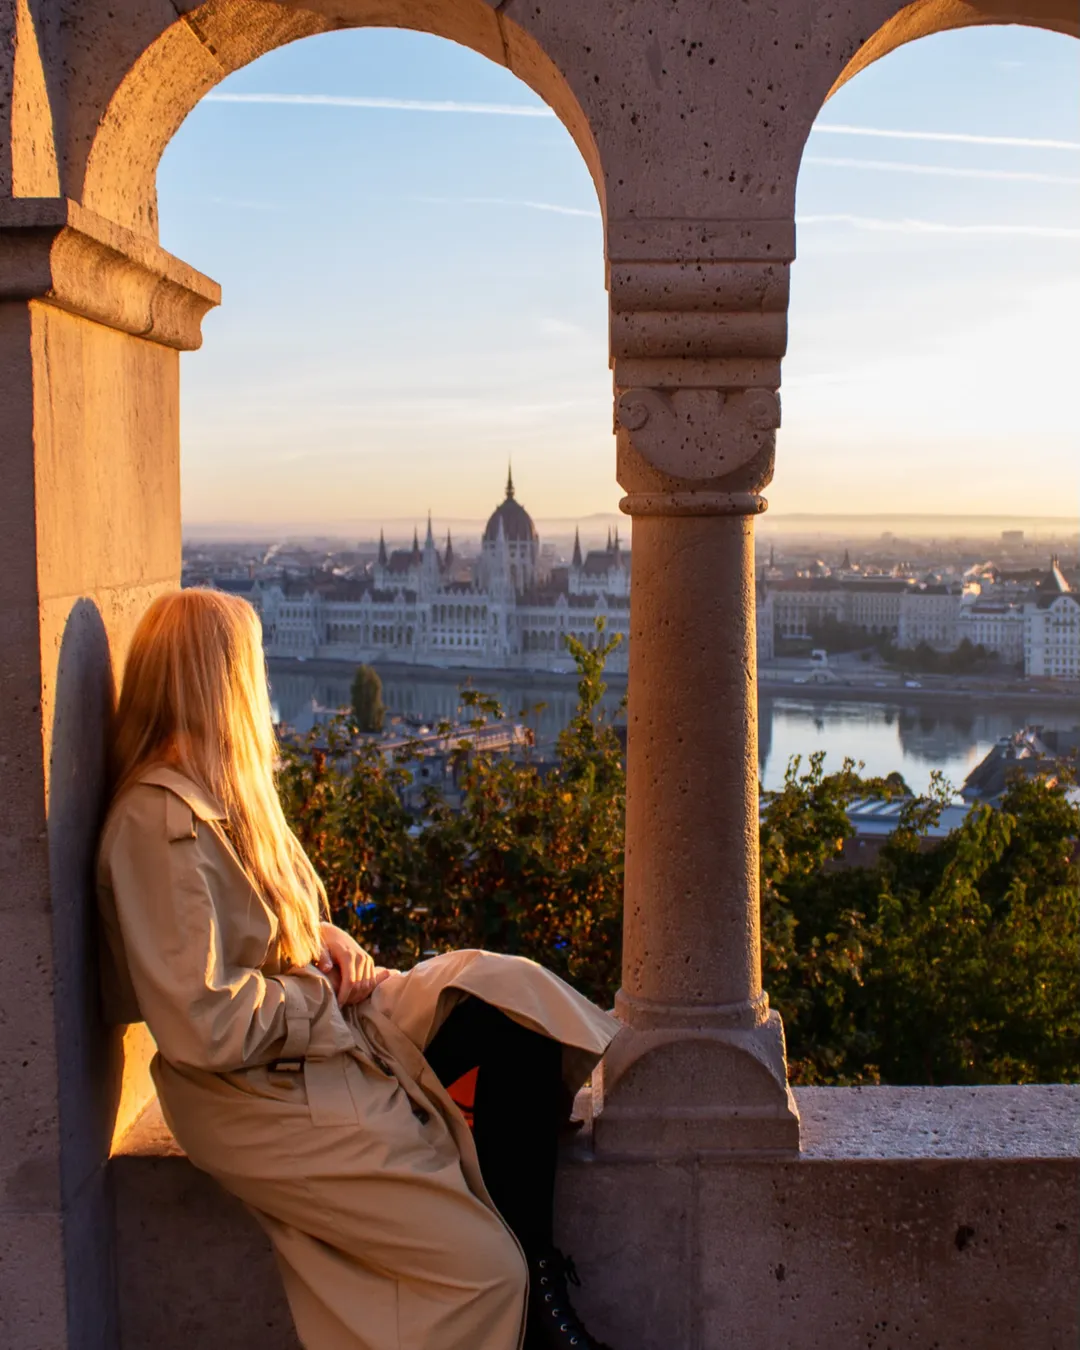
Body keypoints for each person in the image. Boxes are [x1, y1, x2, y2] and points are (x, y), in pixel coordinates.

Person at [96, 588, 622, 1350]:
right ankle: (520, 1290)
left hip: (316, 1028)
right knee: (481, 1274)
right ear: (223, 680)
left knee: (504, 1002)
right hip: (259, 1085)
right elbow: (203, 1023)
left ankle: (536, 1277)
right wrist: (318, 992)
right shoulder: (159, 819)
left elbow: (239, 927)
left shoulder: (220, 793)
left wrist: (319, 935)